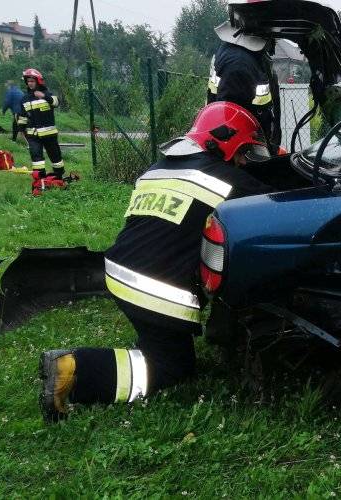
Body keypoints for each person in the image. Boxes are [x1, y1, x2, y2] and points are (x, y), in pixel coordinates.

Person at [38, 102, 273, 422]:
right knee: (171, 366)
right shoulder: (227, 179)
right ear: (226, 141)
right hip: (155, 289)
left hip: (119, 270)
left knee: (160, 343)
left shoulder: (157, 168)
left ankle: (133, 345)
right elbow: (273, 200)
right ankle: (74, 369)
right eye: (245, 152)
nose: (245, 161)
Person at [208, 21, 281, 153]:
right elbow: (232, 119)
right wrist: (241, 151)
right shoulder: (239, 62)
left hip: (250, 137)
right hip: (245, 145)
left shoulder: (241, 53)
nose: (274, 41)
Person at [19, 68, 64, 179]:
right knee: (36, 158)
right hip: (33, 135)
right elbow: (22, 116)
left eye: (32, 81)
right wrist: (21, 130)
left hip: (49, 134)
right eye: (28, 81)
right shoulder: (24, 99)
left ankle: (59, 177)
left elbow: (57, 102)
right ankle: (40, 179)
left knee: (55, 156)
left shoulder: (47, 94)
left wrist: (44, 96)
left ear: (38, 81)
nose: (30, 83)